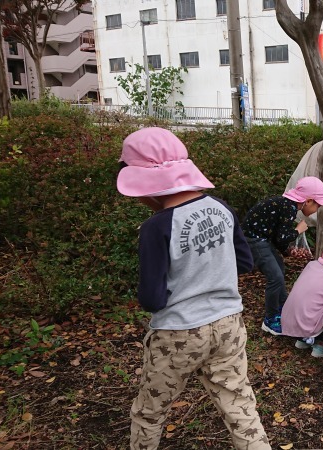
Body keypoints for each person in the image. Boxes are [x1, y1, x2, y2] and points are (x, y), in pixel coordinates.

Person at [116, 128, 270, 450]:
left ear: (147, 185)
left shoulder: (156, 227)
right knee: (239, 405)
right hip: (229, 323)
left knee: (150, 411)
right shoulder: (221, 208)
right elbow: (244, 263)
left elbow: (152, 298)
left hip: (179, 333)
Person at [242, 176, 323, 336]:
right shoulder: (288, 207)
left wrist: (288, 251)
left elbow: (278, 236)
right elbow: (282, 237)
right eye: (317, 206)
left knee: (280, 269)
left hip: (263, 239)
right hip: (254, 240)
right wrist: (298, 230)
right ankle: (270, 320)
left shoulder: (287, 205)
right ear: (309, 201)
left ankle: (284, 307)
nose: (316, 210)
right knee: (275, 277)